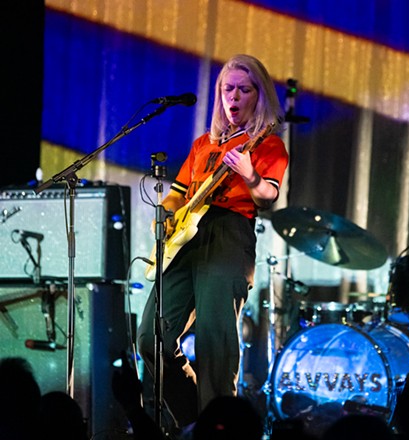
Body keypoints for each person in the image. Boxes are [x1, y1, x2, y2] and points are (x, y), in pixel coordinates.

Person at [137, 54, 289, 431]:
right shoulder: (204, 144)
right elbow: (177, 193)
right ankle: (196, 423)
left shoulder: (267, 144)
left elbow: (267, 195)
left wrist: (250, 175)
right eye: (228, 89)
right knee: (151, 337)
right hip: (187, 239)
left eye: (244, 89)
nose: (234, 97)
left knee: (215, 343)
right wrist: (165, 213)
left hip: (228, 235)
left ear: (259, 96)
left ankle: (221, 430)